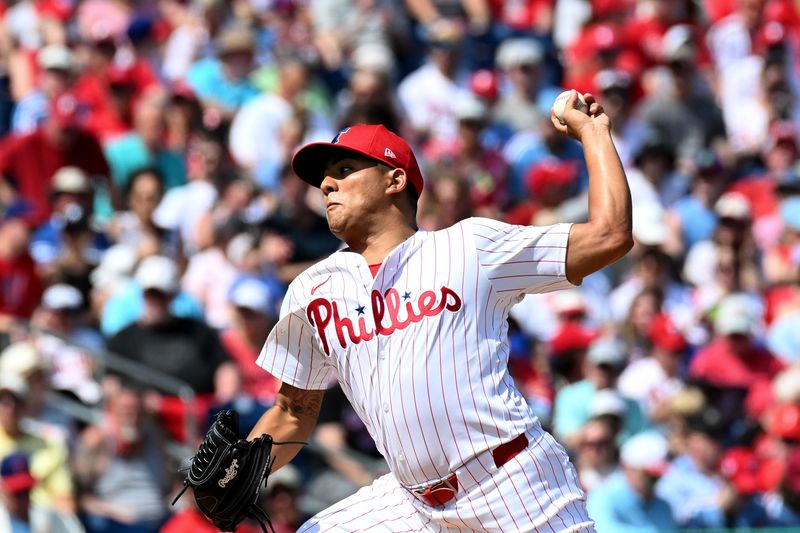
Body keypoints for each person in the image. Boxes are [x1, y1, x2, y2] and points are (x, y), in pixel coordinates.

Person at [242, 88, 632, 532]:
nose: (327, 184)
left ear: (394, 181)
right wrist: (241, 470)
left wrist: (594, 133)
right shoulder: (311, 289)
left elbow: (609, 236)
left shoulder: (468, 247)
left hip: (511, 484)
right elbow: (293, 410)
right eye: (324, 178)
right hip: (412, 504)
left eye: (345, 170)